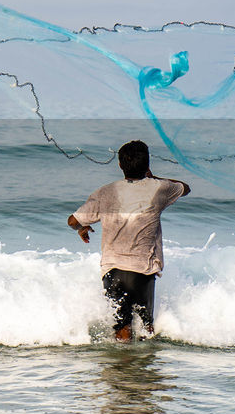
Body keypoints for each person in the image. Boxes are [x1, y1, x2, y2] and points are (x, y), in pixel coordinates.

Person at [67, 140, 189, 342]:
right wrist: (154, 177)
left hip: (112, 270)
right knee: (146, 330)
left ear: (120, 165)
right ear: (148, 165)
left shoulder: (105, 192)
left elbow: (73, 220)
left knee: (122, 332)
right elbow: (185, 188)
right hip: (142, 270)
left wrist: (82, 229)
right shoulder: (160, 189)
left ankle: (123, 371)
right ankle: (141, 371)